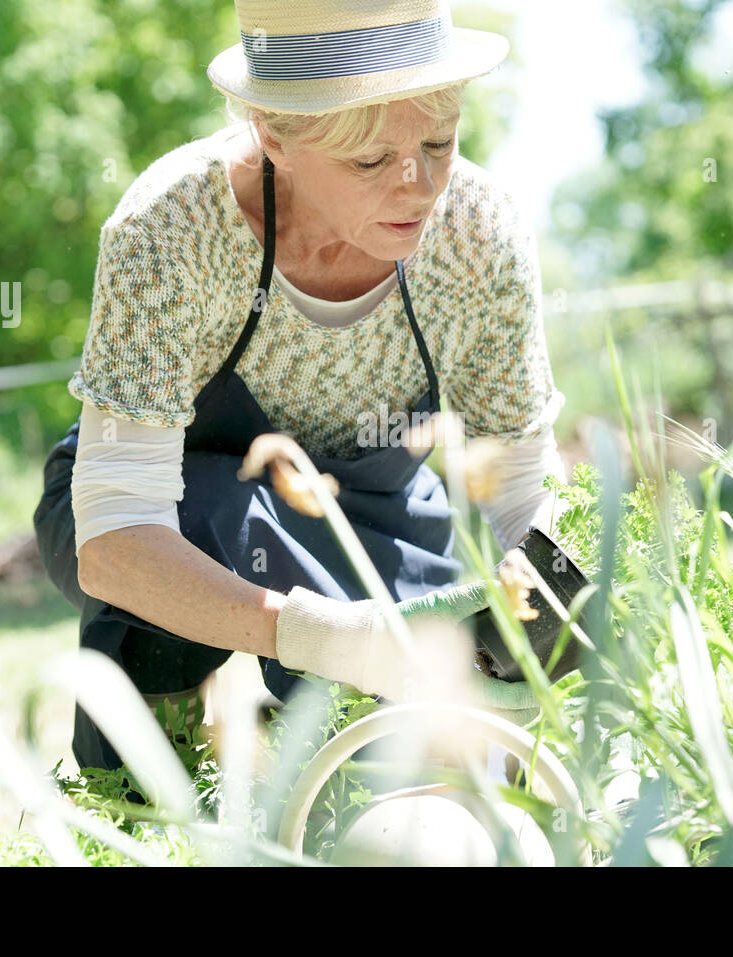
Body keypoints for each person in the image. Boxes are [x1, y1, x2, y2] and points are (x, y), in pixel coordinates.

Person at [33, 0, 569, 772]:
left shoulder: (478, 235)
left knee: (429, 754)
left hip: (381, 525)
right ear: (272, 133)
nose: (419, 187)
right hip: (160, 522)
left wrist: (555, 617)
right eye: (370, 161)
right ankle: (146, 811)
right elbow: (118, 537)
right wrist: (323, 635)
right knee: (203, 519)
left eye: (439, 142)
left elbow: (520, 488)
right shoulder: (171, 229)